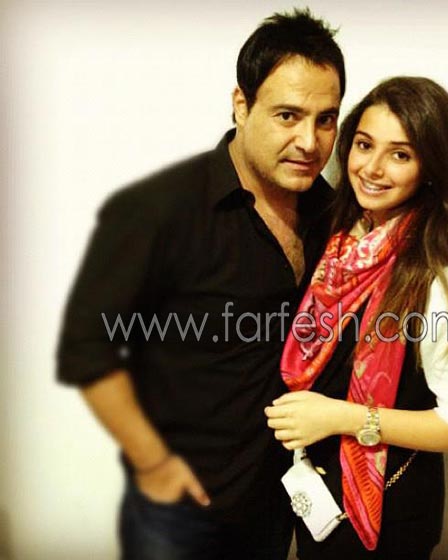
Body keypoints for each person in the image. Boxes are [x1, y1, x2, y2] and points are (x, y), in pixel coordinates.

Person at [56, 9, 345, 560]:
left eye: (325, 119)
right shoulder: (158, 211)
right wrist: (153, 463)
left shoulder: (333, 215)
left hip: (277, 504)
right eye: (288, 115)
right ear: (242, 105)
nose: (309, 141)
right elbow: (86, 348)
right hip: (180, 513)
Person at [265, 76, 448, 559]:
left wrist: (340, 418)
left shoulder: (442, 274)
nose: (372, 168)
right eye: (364, 145)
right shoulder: (340, 238)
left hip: (385, 514)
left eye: (400, 155)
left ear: (430, 167)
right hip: (319, 497)